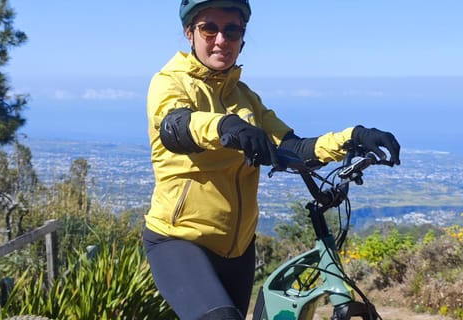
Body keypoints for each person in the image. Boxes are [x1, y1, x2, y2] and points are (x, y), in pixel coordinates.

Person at [143, 1, 401, 319]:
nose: (221, 39)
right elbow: (176, 127)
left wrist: (353, 136)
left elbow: (295, 147)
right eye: (210, 28)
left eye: (232, 30)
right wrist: (225, 126)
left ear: (242, 38)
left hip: (238, 249)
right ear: (189, 33)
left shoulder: (246, 98)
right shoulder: (170, 82)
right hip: (179, 241)